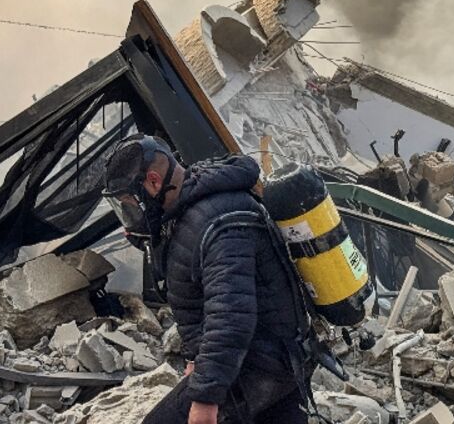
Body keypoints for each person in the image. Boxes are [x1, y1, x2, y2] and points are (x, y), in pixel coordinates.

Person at [102, 134, 314, 424]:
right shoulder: (189, 209)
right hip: (270, 360)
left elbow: (231, 317)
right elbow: (201, 301)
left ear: (153, 181)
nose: (132, 216)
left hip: (259, 366)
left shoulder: (222, 222)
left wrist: (205, 398)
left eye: (131, 204)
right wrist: (195, 359)